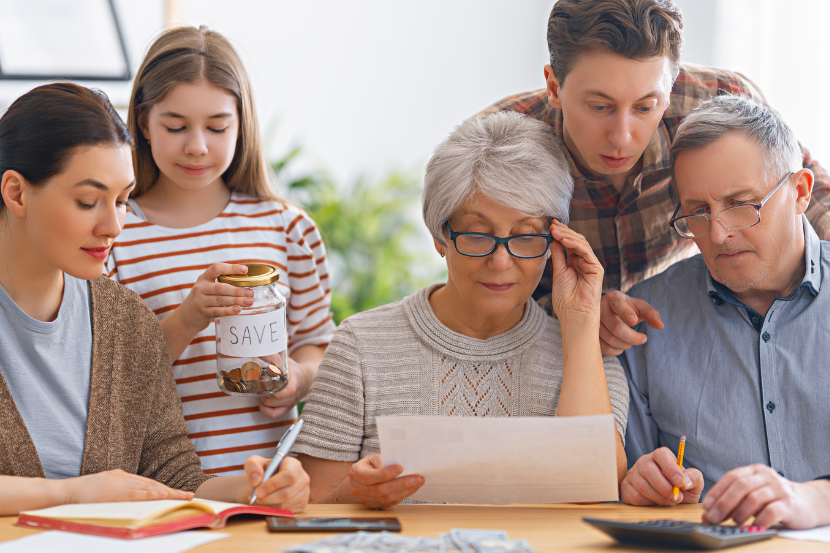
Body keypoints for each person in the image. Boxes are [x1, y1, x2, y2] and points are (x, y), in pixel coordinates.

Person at [292, 111, 630, 509]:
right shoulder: (360, 346)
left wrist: (582, 319)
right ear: (441, 236)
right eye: (477, 235)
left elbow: (593, 494)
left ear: (555, 242)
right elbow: (310, 509)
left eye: (524, 237)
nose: (501, 262)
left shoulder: (591, 356)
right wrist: (355, 495)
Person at [0, 83, 309, 515]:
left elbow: (176, 479)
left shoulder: (127, 320)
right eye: (88, 201)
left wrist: (251, 486)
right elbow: (91, 492)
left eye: (123, 200)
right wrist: (69, 494)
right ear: (16, 193)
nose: (113, 225)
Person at [479, 0, 830, 355]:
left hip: (679, 331)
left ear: (671, 87)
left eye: (646, 107)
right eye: (600, 106)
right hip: (549, 345)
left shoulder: (721, 102)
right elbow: (478, 281)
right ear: (554, 88)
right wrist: (569, 314)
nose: (622, 137)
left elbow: (800, 188)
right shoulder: (496, 148)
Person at [106, 26, 335, 476]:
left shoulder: (287, 228)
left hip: (273, 480)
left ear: (242, 124)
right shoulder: (115, 233)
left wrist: (298, 378)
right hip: (162, 485)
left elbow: (318, 344)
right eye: (176, 126)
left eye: (217, 126)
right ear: (144, 125)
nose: (197, 146)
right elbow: (112, 381)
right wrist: (189, 315)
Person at [619, 95, 830, 530]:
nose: (718, 233)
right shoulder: (646, 319)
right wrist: (640, 483)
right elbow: (629, 487)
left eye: (740, 203)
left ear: (801, 193)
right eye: (698, 211)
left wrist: (815, 499)